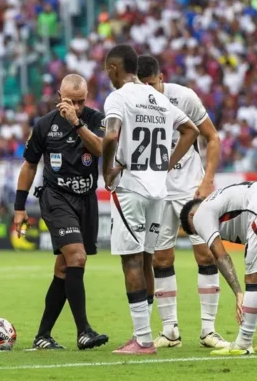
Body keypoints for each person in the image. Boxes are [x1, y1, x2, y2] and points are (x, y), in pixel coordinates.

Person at [102, 44, 200, 355]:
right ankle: (142, 334)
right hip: (159, 190)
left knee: (131, 260)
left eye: (108, 71)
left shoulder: (118, 97)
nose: (108, 76)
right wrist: (166, 165)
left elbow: (111, 135)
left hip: (131, 188)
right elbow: (191, 130)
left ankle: (143, 339)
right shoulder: (159, 98)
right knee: (146, 258)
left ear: (114, 68)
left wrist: (107, 170)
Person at [136, 55, 228, 349]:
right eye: (142, 85)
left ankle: (209, 331)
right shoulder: (134, 102)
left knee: (206, 255)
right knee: (161, 259)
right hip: (157, 191)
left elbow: (212, 137)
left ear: (161, 78)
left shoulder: (184, 97)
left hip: (190, 188)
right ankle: (170, 331)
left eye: (151, 84)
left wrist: (207, 180)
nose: (147, 90)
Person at [13, 74, 109, 350]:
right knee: (76, 257)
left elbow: (100, 150)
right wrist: (19, 207)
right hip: (56, 198)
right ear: (59, 97)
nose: (76, 107)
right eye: (70, 101)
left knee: (65, 268)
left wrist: (77, 122)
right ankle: (84, 331)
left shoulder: (96, 119)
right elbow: (29, 165)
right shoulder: (44, 125)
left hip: (86, 199)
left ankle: (43, 336)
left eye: (81, 101)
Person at [179, 181, 257, 355]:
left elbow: (221, 256)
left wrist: (238, 292)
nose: (203, 235)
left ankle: (243, 343)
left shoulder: (200, 215)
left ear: (192, 216)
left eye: (197, 231)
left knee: (253, 279)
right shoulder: (221, 203)